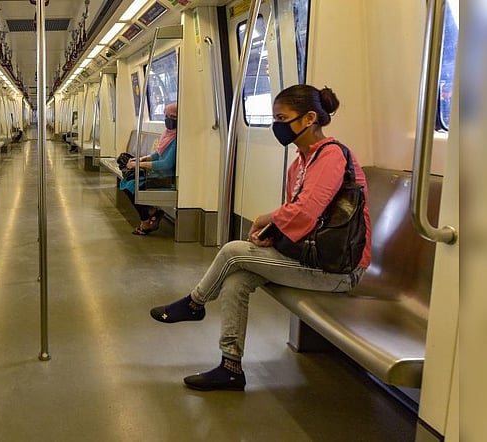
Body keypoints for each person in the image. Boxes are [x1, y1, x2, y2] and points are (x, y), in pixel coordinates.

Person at [149, 85, 371, 391]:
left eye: (282, 117)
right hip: (311, 256)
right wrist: (272, 235)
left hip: (338, 268)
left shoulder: (331, 156)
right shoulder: (300, 163)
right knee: (236, 280)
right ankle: (230, 367)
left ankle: (195, 303)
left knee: (232, 252)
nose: (276, 125)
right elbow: (298, 215)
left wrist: (267, 219)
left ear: (309, 119)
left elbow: (306, 212)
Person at [121, 103, 178, 235]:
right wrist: (141, 159)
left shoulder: (177, 140)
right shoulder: (167, 135)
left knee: (133, 185)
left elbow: (166, 164)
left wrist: (139, 165)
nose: (168, 119)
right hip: (157, 174)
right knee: (126, 183)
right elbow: (158, 154)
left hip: (167, 178)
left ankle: (146, 220)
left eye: (173, 117)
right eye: (166, 116)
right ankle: (150, 212)